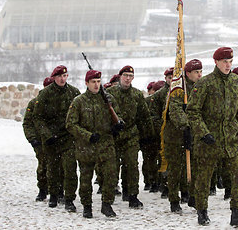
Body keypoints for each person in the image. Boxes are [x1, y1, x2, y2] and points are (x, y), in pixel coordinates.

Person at [187, 47, 238, 227]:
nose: (228, 65)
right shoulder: (205, 83)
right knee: (204, 177)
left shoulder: (236, 82)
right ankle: (201, 211)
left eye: (230, 61)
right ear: (216, 62)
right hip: (210, 138)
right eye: (225, 61)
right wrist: (203, 132)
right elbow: (192, 111)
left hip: (231, 137)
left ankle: (237, 212)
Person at [65, 70, 123, 218]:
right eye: (93, 82)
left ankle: (107, 204)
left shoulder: (107, 99)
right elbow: (70, 124)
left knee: (111, 175)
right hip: (86, 146)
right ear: (86, 83)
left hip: (106, 144)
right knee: (85, 179)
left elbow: (117, 116)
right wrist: (88, 136)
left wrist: (117, 126)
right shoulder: (79, 101)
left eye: (98, 81)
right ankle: (87, 206)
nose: (96, 85)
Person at [33, 65, 80, 212]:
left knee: (70, 169)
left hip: (68, 137)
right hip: (51, 139)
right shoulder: (45, 94)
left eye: (64, 76)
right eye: (59, 76)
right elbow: (37, 117)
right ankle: (53, 194)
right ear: (54, 78)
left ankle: (69, 198)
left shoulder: (74, 92)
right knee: (52, 169)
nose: (62, 79)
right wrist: (47, 135)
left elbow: (79, 114)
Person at [107, 65, 154, 208]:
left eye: (130, 76)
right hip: (114, 135)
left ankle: (132, 195)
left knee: (132, 165)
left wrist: (148, 135)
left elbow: (144, 116)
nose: (128, 79)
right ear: (120, 76)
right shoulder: (109, 93)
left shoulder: (137, 94)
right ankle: (109, 195)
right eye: (125, 75)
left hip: (131, 134)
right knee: (112, 167)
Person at [164, 59, 203, 213]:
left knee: (195, 167)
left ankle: (193, 196)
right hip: (175, 135)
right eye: (196, 72)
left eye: (201, 72)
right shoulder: (179, 89)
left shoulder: (201, 87)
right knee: (175, 169)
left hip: (194, 134)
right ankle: (174, 199)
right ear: (188, 73)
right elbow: (174, 110)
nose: (199, 75)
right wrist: (185, 123)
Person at [22, 76, 54, 202]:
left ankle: (57, 190)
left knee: (58, 166)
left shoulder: (58, 102)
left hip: (56, 139)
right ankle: (42, 189)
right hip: (40, 141)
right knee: (43, 165)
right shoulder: (35, 103)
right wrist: (32, 139)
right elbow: (27, 123)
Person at [150, 68, 174, 198]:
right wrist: (162, 126)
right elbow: (154, 115)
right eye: (169, 78)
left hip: (177, 132)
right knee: (164, 159)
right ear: (165, 79)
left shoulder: (181, 91)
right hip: (163, 131)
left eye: (173, 77)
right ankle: (165, 186)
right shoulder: (159, 94)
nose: (171, 80)